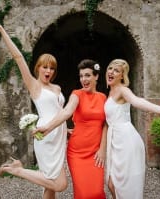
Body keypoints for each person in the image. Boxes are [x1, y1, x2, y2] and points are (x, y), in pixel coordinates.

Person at [0, 19, 68, 199]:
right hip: (45, 136)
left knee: (50, 186)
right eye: (45, 67)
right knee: (59, 184)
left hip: (59, 135)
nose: (48, 71)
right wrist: (1, 30)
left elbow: (60, 113)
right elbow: (18, 57)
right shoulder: (34, 86)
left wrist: (66, 129)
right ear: (38, 68)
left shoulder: (58, 88)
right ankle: (19, 171)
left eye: (52, 68)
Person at [104, 59, 160, 199]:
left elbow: (138, 101)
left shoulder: (123, 90)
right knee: (111, 183)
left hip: (127, 141)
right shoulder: (111, 92)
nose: (111, 72)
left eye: (116, 70)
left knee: (124, 185)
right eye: (110, 68)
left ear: (122, 76)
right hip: (114, 141)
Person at [36, 59, 107, 199]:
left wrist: (103, 148)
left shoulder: (103, 97)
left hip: (96, 152)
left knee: (97, 192)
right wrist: (48, 127)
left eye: (87, 75)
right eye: (81, 76)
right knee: (84, 194)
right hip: (77, 152)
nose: (83, 79)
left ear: (96, 76)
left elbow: (106, 124)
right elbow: (67, 111)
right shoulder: (77, 94)